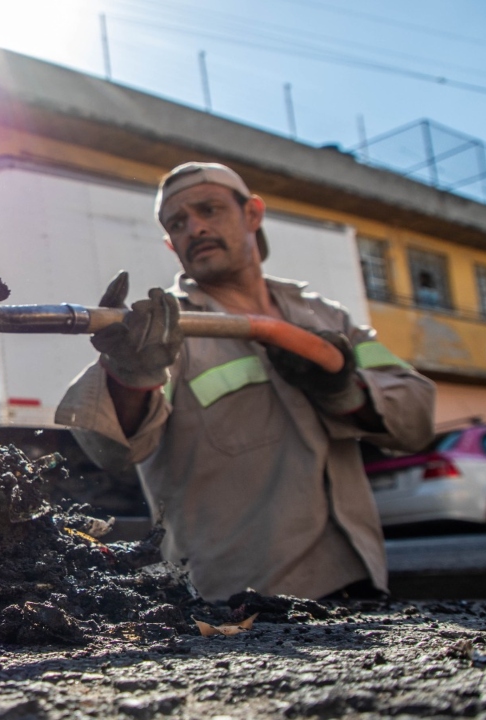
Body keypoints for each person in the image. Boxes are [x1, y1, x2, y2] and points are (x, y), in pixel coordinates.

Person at [55, 162, 436, 601]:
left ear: (252, 213)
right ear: (170, 244)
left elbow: (417, 414)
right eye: (178, 223)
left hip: (361, 578)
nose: (195, 228)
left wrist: (344, 390)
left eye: (210, 210)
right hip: (243, 607)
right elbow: (111, 447)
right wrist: (130, 374)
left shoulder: (326, 318)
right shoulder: (170, 333)